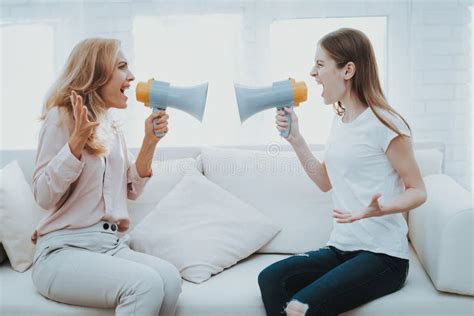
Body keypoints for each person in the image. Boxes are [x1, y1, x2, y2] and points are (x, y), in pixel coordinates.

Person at [258, 28, 427, 316]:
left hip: (383, 256)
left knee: (300, 307)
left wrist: (380, 209)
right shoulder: (342, 120)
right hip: (342, 248)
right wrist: (295, 139)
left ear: (348, 70)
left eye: (320, 64)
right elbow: (325, 182)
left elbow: (418, 191)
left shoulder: (386, 123)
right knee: (271, 278)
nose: (313, 72)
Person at [30, 38, 182, 316]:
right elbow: (42, 195)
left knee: (169, 279)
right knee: (145, 284)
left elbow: (130, 190)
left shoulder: (111, 125)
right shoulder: (60, 117)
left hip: (109, 246)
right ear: (96, 74)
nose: (132, 76)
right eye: (122, 67)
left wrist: (150, 142)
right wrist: (75, 143)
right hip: (62, 251)